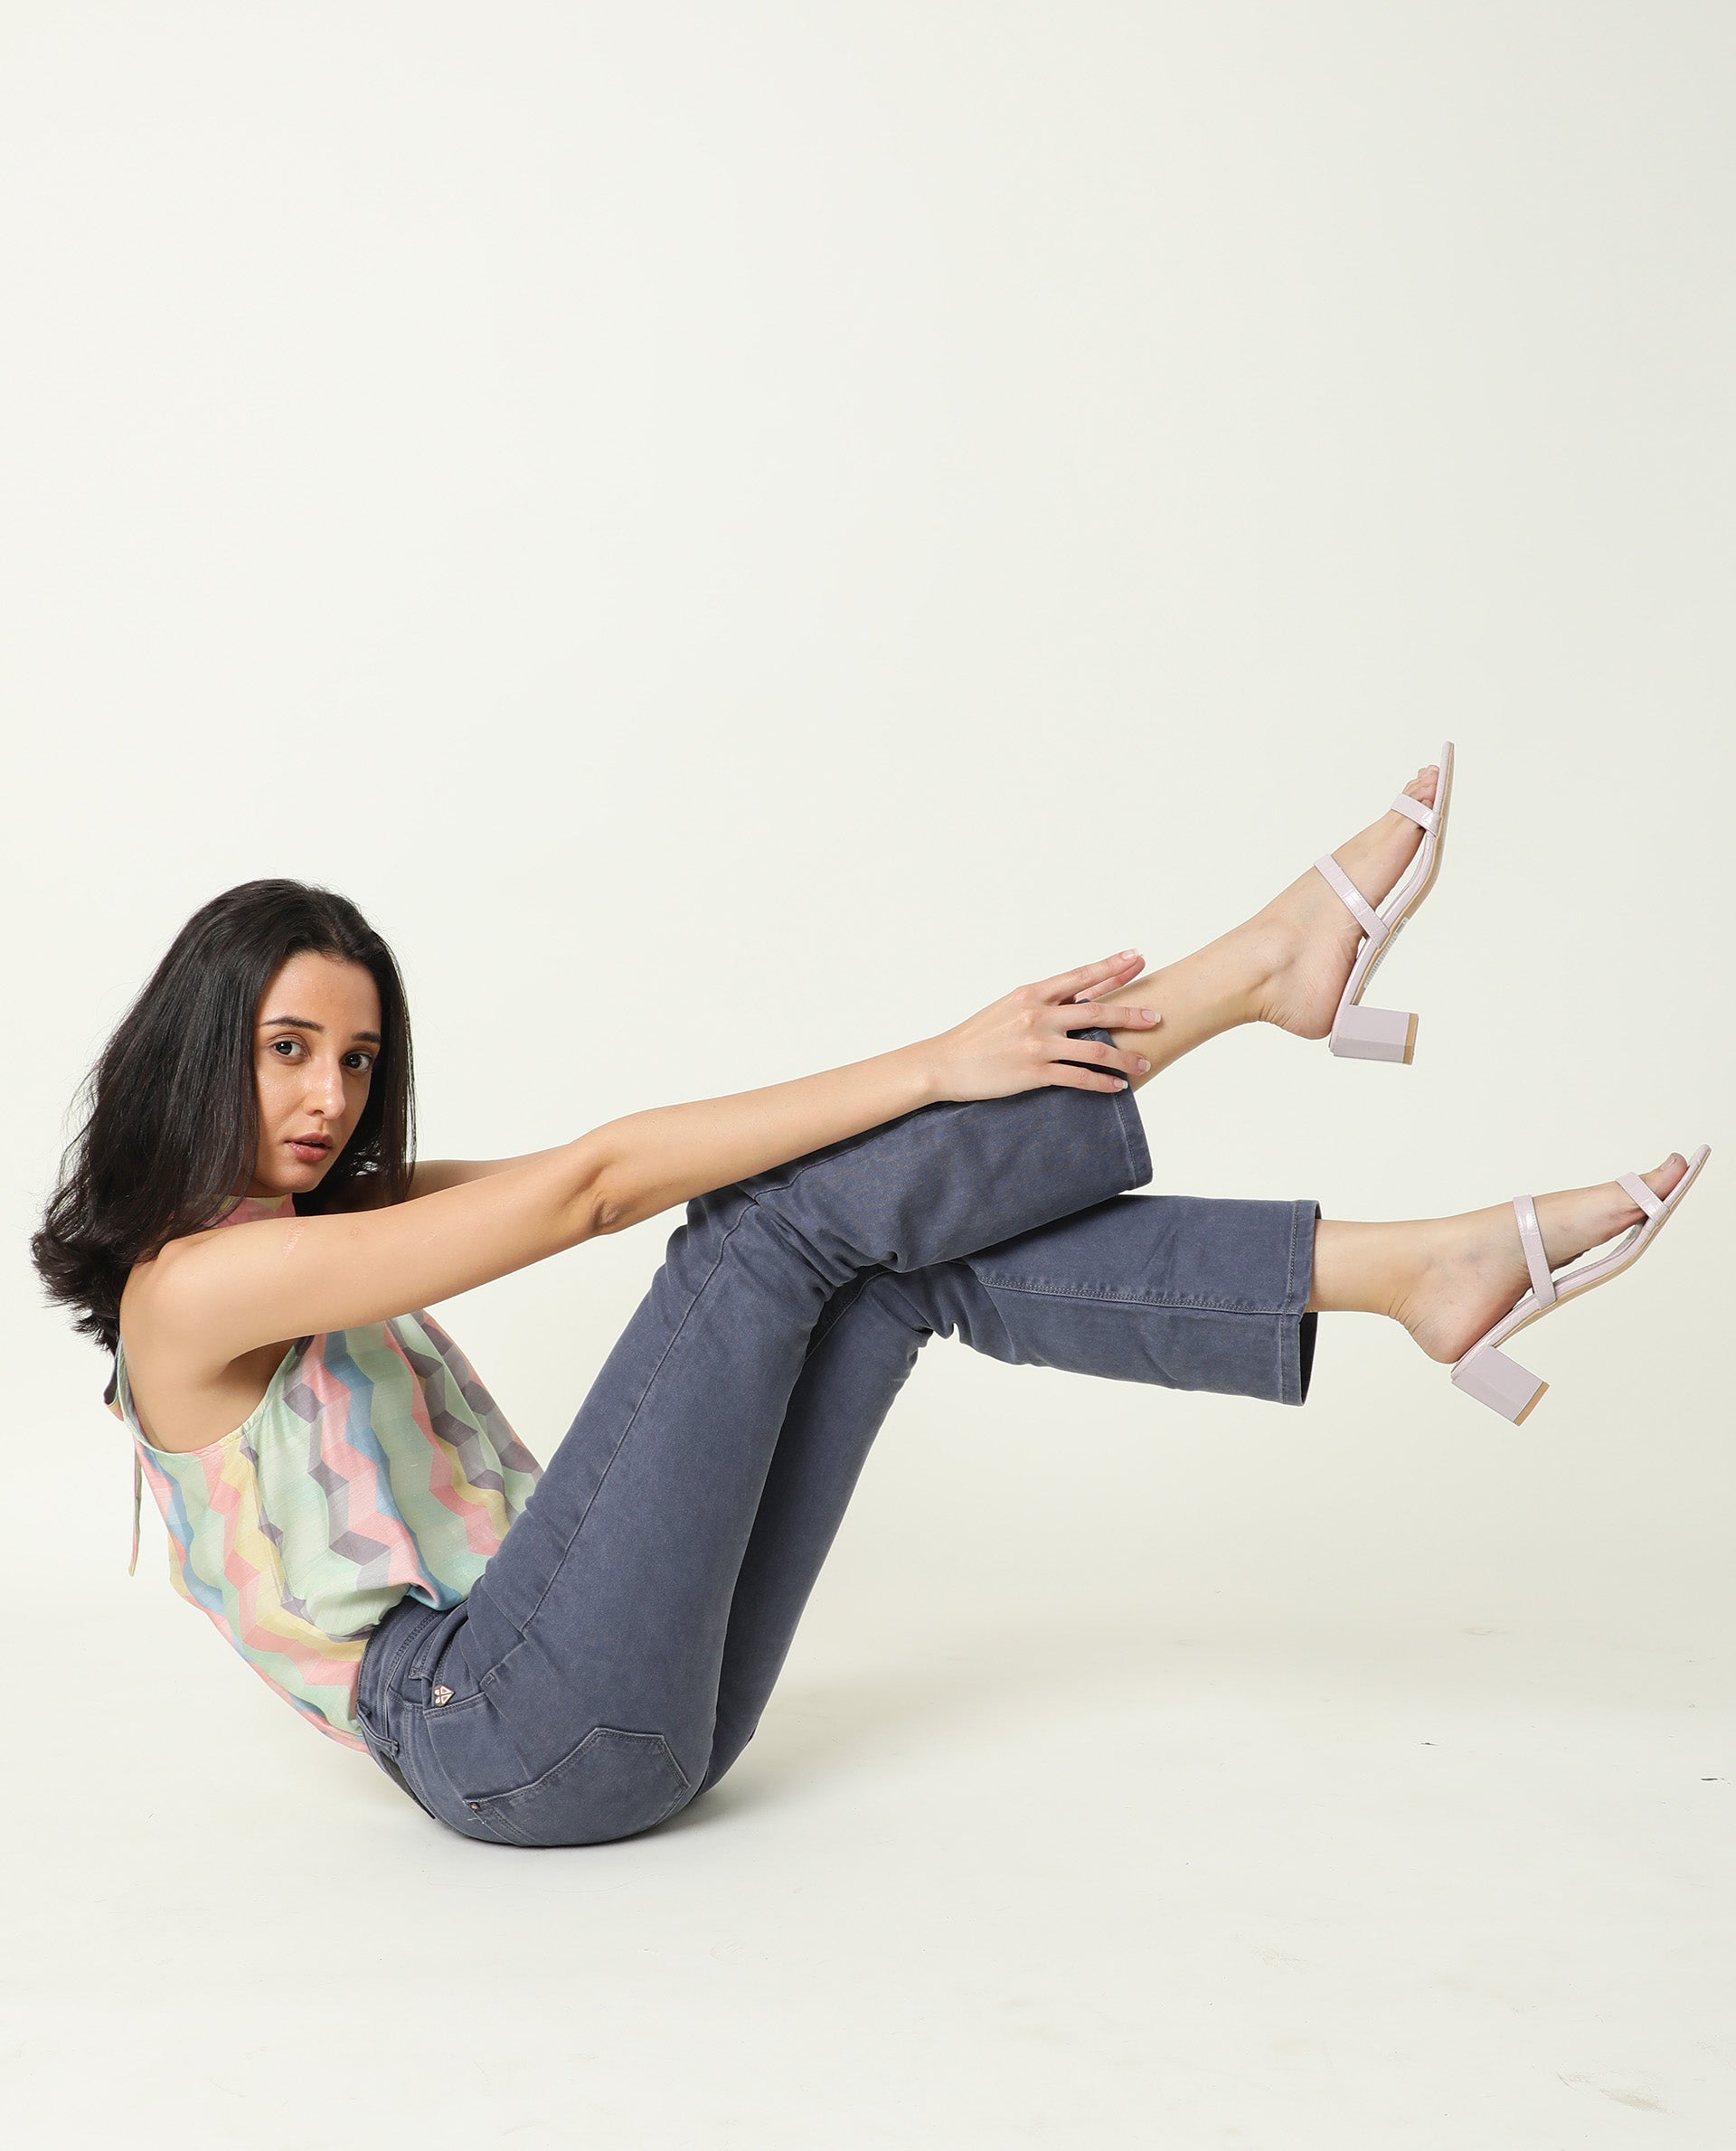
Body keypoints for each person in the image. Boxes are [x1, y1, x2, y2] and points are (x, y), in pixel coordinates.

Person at [32, 757, 1706, 1847]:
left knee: (875, 1259)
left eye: (355, 1058)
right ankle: (1243, 984)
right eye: (288, 1050)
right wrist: (935, 1061)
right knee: (768, 1234)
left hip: (630, 1707)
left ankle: (1408, 1273)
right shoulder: (194, 1294)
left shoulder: (325, 1220)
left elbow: (652, 1167)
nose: (329, 1097)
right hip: (504, 1727)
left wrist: (937, 1069)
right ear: (202, 1046)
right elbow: (600, 1187)